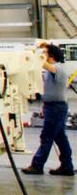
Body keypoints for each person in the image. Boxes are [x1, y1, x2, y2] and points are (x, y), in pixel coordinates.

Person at [22, 43, 74, 176]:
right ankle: (67, 166)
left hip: (56, 107)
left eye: (44, 52)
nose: (42, 54)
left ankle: (37, 165)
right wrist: (44, 107)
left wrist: (34, 54)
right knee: (60, 138)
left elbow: (44, 64)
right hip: (53, 106)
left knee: (47, 136)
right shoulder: (51, 70)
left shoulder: (58, 68)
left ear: (51, 55)